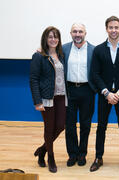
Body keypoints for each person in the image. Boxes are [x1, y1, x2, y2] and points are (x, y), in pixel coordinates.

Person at [90, 16, 119, 173]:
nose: (114, 30)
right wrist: (107, 93)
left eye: (116, 27)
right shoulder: (98, 50)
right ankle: (98, 157)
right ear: (106, 29)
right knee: (101, 127)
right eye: (111, 27)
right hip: (104, 96)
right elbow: (95, 74)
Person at [30, 26, 66, 173]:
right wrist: (37, 101)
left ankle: (42, 149)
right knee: (49, 128)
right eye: (50, 36)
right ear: (45, 39)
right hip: (47, 98)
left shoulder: (61, 55)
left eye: (56, 36)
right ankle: (50, 157)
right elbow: (33, 79)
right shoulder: (39, 56)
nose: (53, 39)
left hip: (62, 96)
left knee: (61, 126)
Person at [63, 23, 96, 167]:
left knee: (85, 125)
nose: (78, 34)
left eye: (80, 31)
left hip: (87, 90)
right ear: (71, 33)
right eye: (75, 31)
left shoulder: (93, 50)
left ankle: (82, 154)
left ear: (85, 33)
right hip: (69, 90)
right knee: (69, 125)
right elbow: (49, 53)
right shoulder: (63, 49)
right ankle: (72, 154)